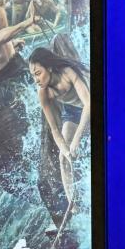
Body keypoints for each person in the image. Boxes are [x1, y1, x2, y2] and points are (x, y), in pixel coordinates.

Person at [28, 47, 91, 202]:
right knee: (62, 157)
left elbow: (88, 104)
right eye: (33, 75)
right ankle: (72, 203)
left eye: (38, 73)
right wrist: (66, 150)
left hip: (90, 101)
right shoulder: (43, 92)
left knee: (77, 143)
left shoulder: (67, 72)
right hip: (72, 111)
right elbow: (55, 129)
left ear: (49, 67)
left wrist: (76, 140)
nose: (36, 80)